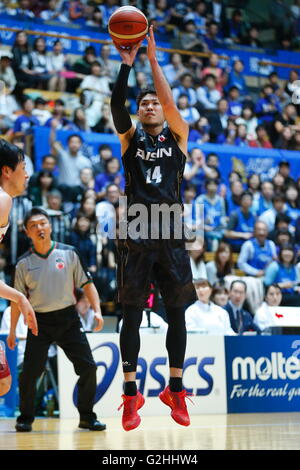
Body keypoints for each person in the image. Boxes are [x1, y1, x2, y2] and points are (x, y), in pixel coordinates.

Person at [110, 26, 196, 431]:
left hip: (172, 234)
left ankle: (174, 388)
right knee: (129, 315)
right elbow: (116, 109)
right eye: (143, 103)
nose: (147, 106)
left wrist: (152, 61)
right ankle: (131, 396)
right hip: (137, 234)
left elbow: (168, 99)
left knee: (176, 313)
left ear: (162, 109)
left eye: (152, 102)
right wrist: (126, 68)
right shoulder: (130, 140)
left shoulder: (179, 135)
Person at [7, 207, 105, 432]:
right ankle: (25, 418)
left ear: (50, 227)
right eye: (33, 226)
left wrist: (97, 310)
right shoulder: (23, 264)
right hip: (38, 323)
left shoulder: (69, 253)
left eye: (43, 223)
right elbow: (15, 301)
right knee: (30, 374)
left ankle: (87, 417)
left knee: (88, 368)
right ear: (27, 233)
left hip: (68, 319)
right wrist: (12, 330)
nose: (39, 228)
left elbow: (87, 285)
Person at [0, 139, 37, 397]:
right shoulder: (2, 200)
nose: (27, 174)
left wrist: (18, 296)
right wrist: (19, 296)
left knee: (3, 381)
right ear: (6, 171)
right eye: (23, 167)